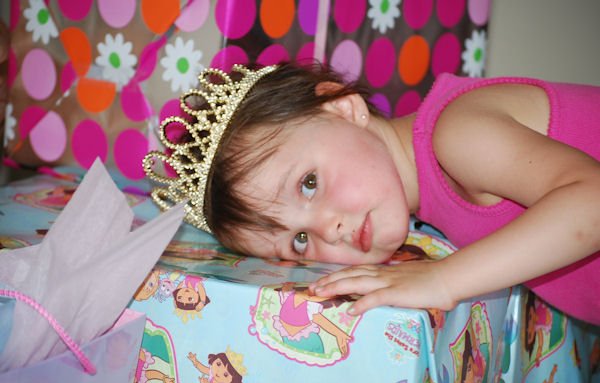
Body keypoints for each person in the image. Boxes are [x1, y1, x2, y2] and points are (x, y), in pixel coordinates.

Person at [144, 62, 600, 325]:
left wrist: (445, 280)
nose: (329, 230)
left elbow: (591, 201)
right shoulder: (425, 198)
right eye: (299, 241)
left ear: (343, 108)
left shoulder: (458, 135)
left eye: (309, 183)